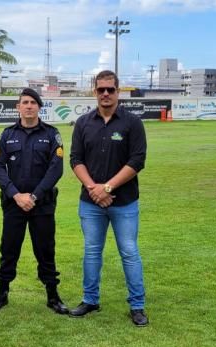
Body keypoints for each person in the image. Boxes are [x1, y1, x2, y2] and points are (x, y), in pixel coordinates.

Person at [68, 70, 149, 327]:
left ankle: (137, 305)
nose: (105, 94)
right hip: (90, 201)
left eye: (110, 90)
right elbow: (76, 160)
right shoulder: (83, 123)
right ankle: (90, 300)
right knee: (92, 252)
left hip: (124, 201)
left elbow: (137, 160)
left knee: (129, 251)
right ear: (94, 91)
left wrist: (108, 188)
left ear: (117, 92)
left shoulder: (132, 123)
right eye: (101, 89)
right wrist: (94, 188)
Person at [0, 88, 69, 315]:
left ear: (39, 107)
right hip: (14, 204)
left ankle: (53, 296)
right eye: (25, 102)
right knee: (9, 249)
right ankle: (2, 293)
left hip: (41, 204)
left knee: (45, 250)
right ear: (18, 107)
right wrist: (16, 194)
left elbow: (56, 169)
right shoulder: (7, 134)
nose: (29, 106)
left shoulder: (52, 134)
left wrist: (34, 196)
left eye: (33, 102)